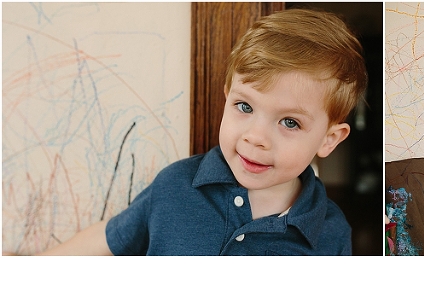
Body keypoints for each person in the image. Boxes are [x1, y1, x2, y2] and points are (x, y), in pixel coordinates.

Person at [39, 9, 368, 255]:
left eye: (289, 122)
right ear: (227, 97)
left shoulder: (331, 231)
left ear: (329, 139)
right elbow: (108, 240)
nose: (255, 137)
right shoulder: (174, 186)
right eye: (245, 107)